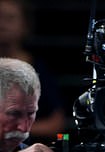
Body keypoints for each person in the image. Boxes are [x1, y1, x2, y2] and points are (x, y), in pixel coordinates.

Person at [0, 0, 65, 143]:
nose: (2, 24)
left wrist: (14, 129)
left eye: (10, 18)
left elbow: (56, 123)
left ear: (25, 25)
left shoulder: (38, 69)